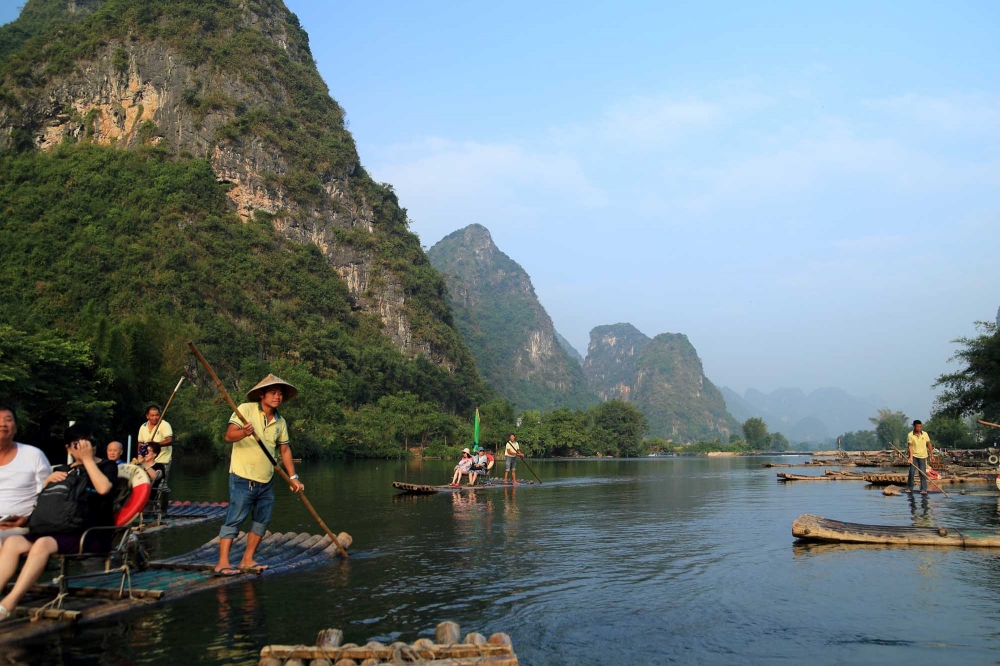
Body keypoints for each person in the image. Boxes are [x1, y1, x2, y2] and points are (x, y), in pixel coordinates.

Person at [0, 423, 117, 621]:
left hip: (87, 533)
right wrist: (47, 483)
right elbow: (47, 506)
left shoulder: (107, 466)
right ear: (69, 448)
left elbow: (104, 489)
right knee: (12, 542)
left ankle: (9, 603)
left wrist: (88, 461)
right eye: (79, 444)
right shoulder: (62, 470)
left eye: (91, 442)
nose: (87, 447)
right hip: (54, 528)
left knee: (43, 544)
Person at [214, 374, 304, 576]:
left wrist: (293, 477)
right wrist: (244, 433)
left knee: (261, 521)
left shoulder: (281, 422)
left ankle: (247, 560)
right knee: (235, 519)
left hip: (266, 480)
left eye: (280, 394)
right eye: (273, 393)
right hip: (242, 477)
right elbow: (229, 436)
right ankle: (222, 563)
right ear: (262, 394)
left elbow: (285, 450)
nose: (277, 397)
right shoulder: (245, 410)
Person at [0, 407, 52, 547]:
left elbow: (48, 497)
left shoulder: (33, 455)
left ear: (15, 428)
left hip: (22, 527)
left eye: (8, 420)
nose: (3, 424)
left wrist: (28, 519)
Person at [906, 419, 933, 495]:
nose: (919, 428)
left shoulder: (925, 434)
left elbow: (929, 444)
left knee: (923, 473)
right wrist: (910, 457)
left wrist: (931, 455)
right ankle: (909, 488)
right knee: (911, 472)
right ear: (914, 426)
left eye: (920, 427)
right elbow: (910, 446)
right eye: (917, 427)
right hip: (914, 456)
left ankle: (923, 489)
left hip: (923, 456)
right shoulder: (910, 435)